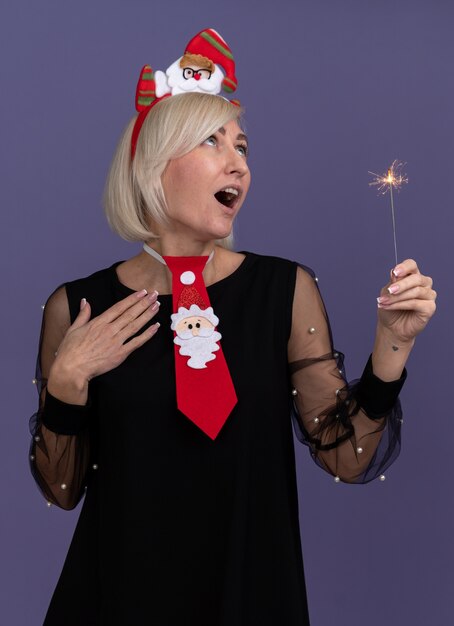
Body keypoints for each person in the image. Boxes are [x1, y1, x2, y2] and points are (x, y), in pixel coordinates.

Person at [29, 29, 436, 626]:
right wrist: (65, 386)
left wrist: (393, 345)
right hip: (113, 600)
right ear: (153, 166)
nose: (238, 162)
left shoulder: (284, 291)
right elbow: (61, 491)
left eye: (242, 146)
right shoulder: (77, 306)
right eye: (212, 142)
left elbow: (347, 458)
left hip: (251, 597)